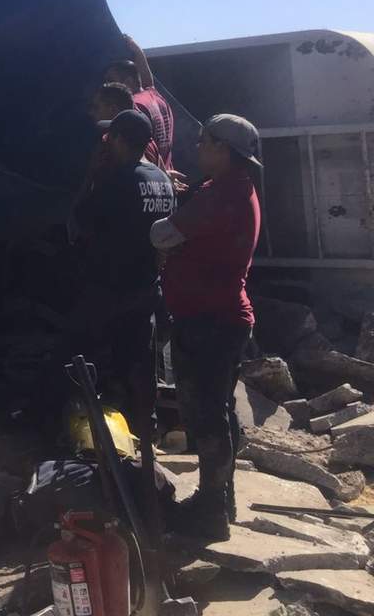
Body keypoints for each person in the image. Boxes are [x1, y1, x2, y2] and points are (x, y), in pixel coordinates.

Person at [150, 114, 262, 541]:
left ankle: (210, 514)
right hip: (222, 318)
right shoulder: (230, 189)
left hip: (209, 322)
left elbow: (163, 236)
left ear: (224, 149)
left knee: (204, 416)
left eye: (203, 142)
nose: (197, 148)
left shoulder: (222, 197)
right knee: (219, 412)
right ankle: (221, 499)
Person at [70, 110, 175, 431]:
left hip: (110, 287)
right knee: (141, 361)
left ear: (117, 139)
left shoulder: (116, 180)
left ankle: (100, 431)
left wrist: (90, 174)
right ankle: (147, 429)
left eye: (110, 137)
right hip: (147, 285)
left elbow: (80, 221)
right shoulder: (161, 180)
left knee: (94, 359)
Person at [106, 34, 175, 170]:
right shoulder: (155, 96)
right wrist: (139, 52)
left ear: (129, 82)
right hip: (165, 177)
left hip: (147, 173)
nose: (107, 85)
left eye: (111, 80)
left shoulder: (135, 107)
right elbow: (148, 81)